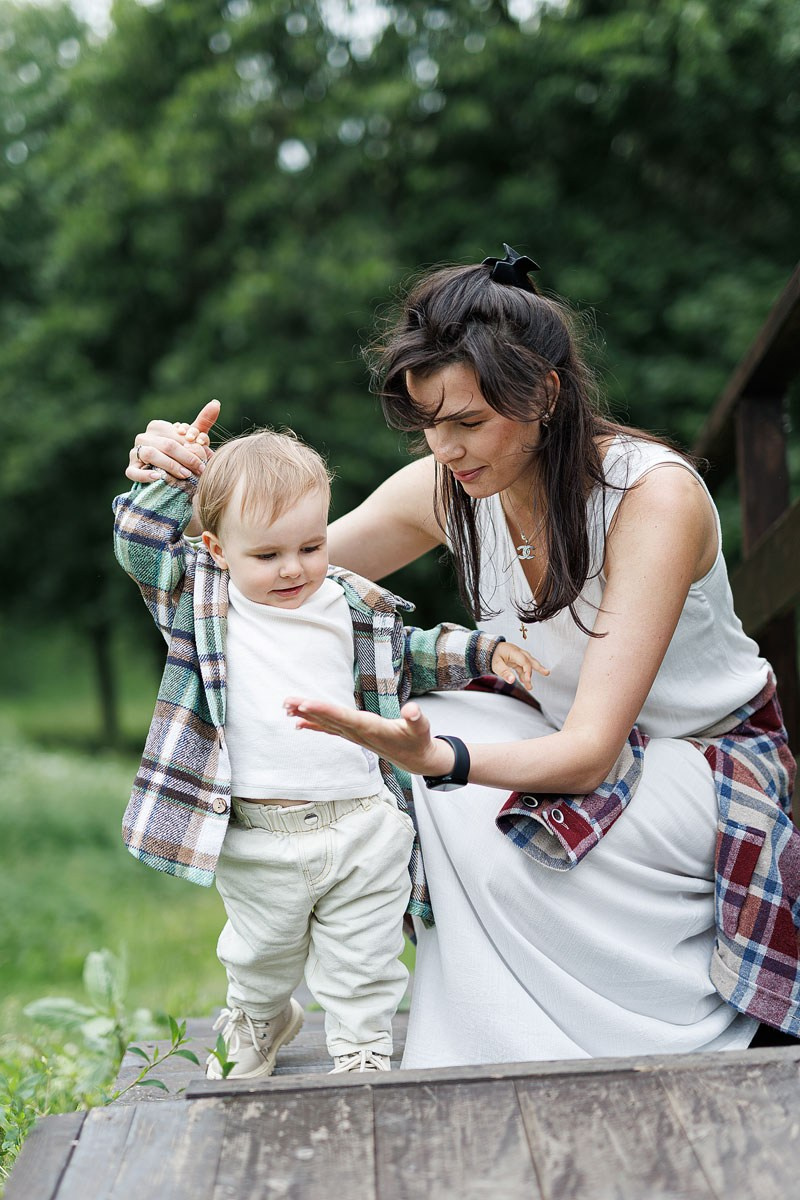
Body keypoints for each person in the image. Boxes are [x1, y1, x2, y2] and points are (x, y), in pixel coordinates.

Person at [124, 244, 800, 1068]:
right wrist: (167, 492)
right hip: (573, 750)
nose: (444, 448)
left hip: (706, 771)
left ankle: (642, 1027)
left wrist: (437, 760)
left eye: (468, 421)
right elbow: (265, 586)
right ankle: (489, 1039)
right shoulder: (449, 488)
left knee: (433, 765)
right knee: (418, 722)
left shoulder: (649, 496)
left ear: (544, 393)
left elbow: (589, 753)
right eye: (428, 423)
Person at [114, 425, 539, 1077]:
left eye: (311, 545)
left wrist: (482, 651)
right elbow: (141, 545)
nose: (293, 568)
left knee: (363, 954)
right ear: (216, 549)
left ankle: (361, 1044)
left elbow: (412, 653)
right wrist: (173, 477)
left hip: (360, 821)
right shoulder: (203, 604)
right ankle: (263, 1016)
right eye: (267, 555)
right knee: (260, 954)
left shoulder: (348, 605)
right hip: (259, 834)